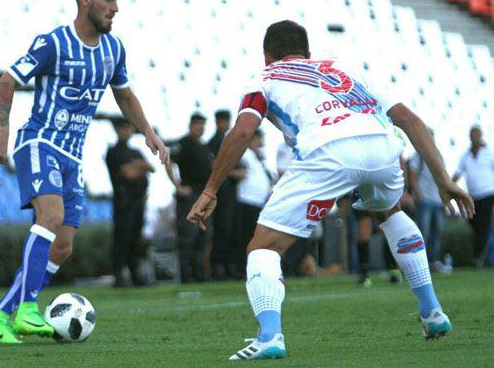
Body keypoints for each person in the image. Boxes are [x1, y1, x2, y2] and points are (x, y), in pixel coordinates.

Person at [187, 20, 474, 360]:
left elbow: (243, 130)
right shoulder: (345, 68)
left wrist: (210, 189)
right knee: (390, 212)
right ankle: (433, 312)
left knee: (263, 246)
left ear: (267, 56)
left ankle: (269, 336)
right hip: (382, 146)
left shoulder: (265, 77)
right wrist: (444, 179)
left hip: (328, 151)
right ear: (307, 52)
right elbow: (409, 119)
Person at [0, 0, 168, 344]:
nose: (116, 7)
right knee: (51, 215)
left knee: (63, 245)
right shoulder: (54, 44)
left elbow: (124, 94)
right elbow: (7, 80)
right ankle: (28, 308)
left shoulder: (114, 49)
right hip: (39, 142)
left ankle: (0, 315)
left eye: (117, 0)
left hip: (73, 156)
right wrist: (3, 131)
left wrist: (150, 133)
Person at [167, 112, 214, 283]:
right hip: (189, 197)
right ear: (190, 125)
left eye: (203, 124)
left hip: (204, 196)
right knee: (188, 236)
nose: (200, 127)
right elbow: (168, 162)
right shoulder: (183, 143)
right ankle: (186, 277)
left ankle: (200, 274)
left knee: (204, 236)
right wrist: (178, 186)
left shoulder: (204, 147)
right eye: (197, 124)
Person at [106, 118, 153, 287]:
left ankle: (135, 275)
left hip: (138, 202)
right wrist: (140, 166)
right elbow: (128, 173)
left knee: (136, 239)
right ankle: (119, 275)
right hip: (123, 202)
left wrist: (138, 165)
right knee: (122, 239)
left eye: (129, 128)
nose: (127, 131)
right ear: (118, 130)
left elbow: (151, 167)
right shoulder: (114, 151)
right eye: (124, 128)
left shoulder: (134, 152)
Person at [208, 110, 244, 280]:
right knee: (222, 229)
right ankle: (218, 267)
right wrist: (233, 172)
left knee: (230, 229)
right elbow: (216, 165)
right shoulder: (215, 142)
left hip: (229, 192)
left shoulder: (226, 139)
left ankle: (227, 266)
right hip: (221, 192)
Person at [410, 129, 451, 273]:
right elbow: (412, 177)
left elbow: (443, 177)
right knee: (423, 233)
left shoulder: (438, 155)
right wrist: (419, 195)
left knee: (436, 233)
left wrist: (445, 199)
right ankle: (420, 265)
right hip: (425, 201)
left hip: (438, 201)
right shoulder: (418, 155)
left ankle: (433, 262)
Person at [452, 126, 493, 267]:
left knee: (483, 226)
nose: (474, 137)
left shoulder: (489, 152)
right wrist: (448, 187)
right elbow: (457, 174)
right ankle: (480, 257)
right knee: (475, 226)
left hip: (488, 194)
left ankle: (479, 259)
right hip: (473, 197)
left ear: (481, 135)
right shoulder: (466, 155)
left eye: (476, 134)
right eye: (472, 134)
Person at [236, 129, 271, 275]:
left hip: (257, 202)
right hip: (247, 200)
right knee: (246, 236)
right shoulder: (245, 152)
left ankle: (254, 266)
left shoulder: (257, 156)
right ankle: (242, 268)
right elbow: (236, 168)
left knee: (256, 236)